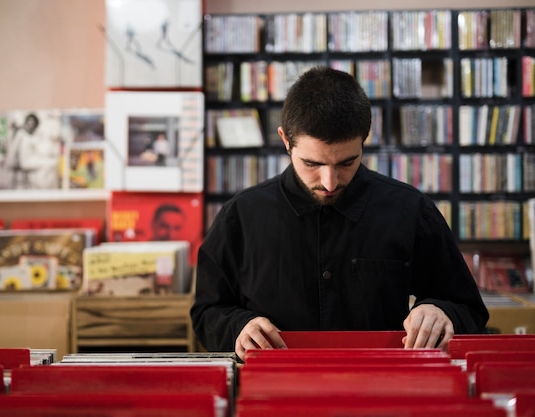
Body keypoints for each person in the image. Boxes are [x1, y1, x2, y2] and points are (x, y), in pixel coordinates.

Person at [190, 66, 489, 361]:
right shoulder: (241, 216)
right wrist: (238, 327)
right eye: (312, 164)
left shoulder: (410, 210)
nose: (329, 182)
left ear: (364, 140)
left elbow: (468, 308)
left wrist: (440, 312)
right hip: (274, 393)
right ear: (285, 140)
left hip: (383, 389)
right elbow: (207, 311)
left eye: (347, 163)